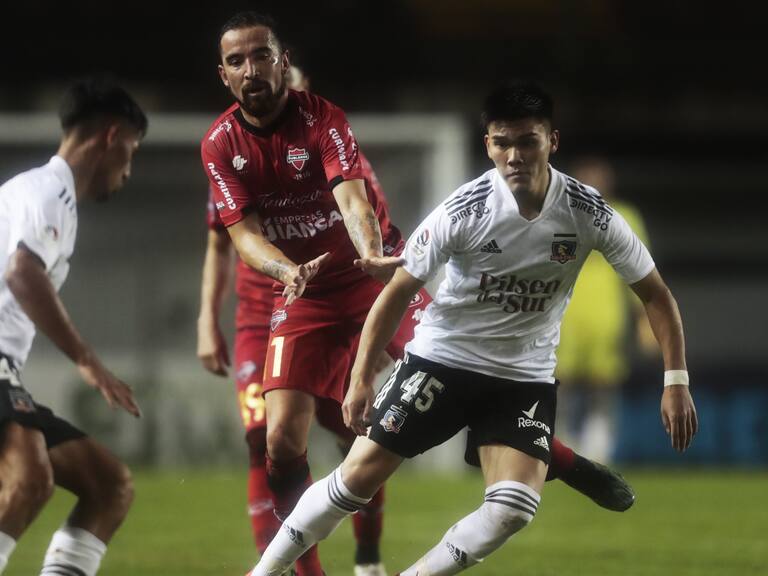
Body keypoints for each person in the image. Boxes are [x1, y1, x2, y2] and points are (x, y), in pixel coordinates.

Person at [247, 80, 698, 576]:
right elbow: (396, 292)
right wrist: (359, 380)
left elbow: (656, 295)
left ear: (553, 141)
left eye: (528, 141)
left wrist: (675, 380)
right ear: (488, 145)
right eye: (502, 142)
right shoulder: (464, 210)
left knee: (512, 510)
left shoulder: (588, 212)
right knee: (355, 480)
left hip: (523, 377)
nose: (514, 155)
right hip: (444, 361)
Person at [0, 77, 145, 576]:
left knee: (109, 486)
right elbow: (22, 273)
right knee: (29, 480)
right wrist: (89, 362)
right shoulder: (49, 193)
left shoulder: (37, 194)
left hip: (5, 374)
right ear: (111, 136)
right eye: (131, 149)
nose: (129, 169)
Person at [555, 157, 657, 462]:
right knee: (561, 383)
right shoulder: (562, 216)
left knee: (604, 383)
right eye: (587, 176)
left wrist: (644, 321)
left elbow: (640, 272)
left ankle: (599, 445)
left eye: (599, 176)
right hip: (565, 316)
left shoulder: (624, 216)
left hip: (606, 317)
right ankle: (558, 442)